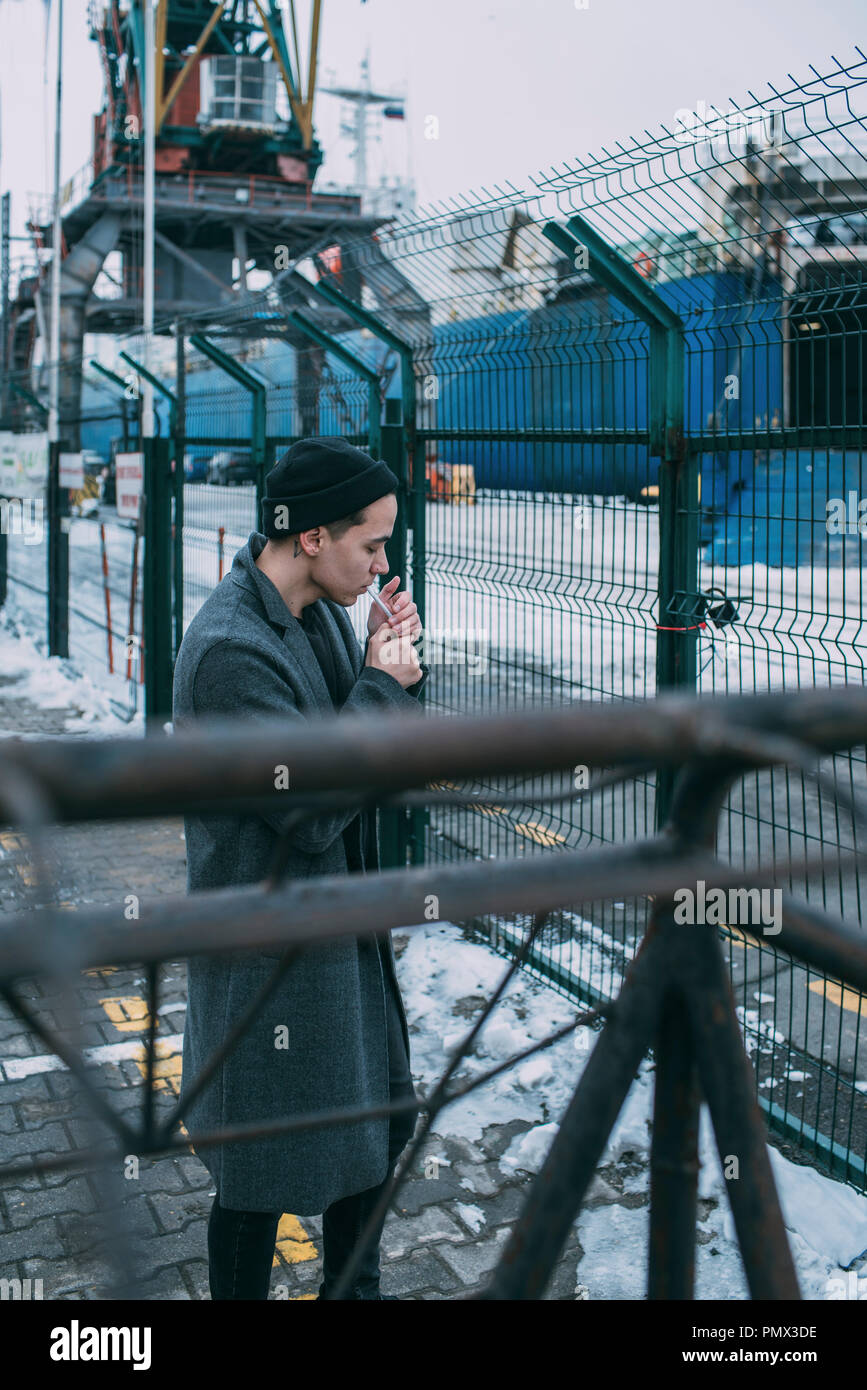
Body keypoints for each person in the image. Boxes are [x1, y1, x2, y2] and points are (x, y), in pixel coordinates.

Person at [171, 436, 430, 1300]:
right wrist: (382, 689)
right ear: (312, 538)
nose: (383, 563)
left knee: (364, 1152)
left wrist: (384, 670)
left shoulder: (313, 614)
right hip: (266, 971)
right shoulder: (229, 652)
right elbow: (313, 809)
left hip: (332, 947)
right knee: (256, 1185)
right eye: (372, 544)